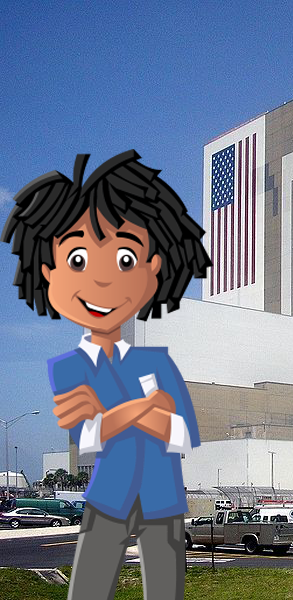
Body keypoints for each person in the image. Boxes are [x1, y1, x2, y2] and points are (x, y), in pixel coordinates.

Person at [2, 150, 211, 600]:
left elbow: (181, 435)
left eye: (123, 260)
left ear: (152, 270)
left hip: (164, 501)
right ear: (49, 274)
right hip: (107, 502)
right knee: (89, 589)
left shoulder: (158, 362)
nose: (101, 281)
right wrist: (144, 408)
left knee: (166, 591)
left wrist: (121, 415)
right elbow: (91, 437)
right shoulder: (68, 368)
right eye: (78, 260)